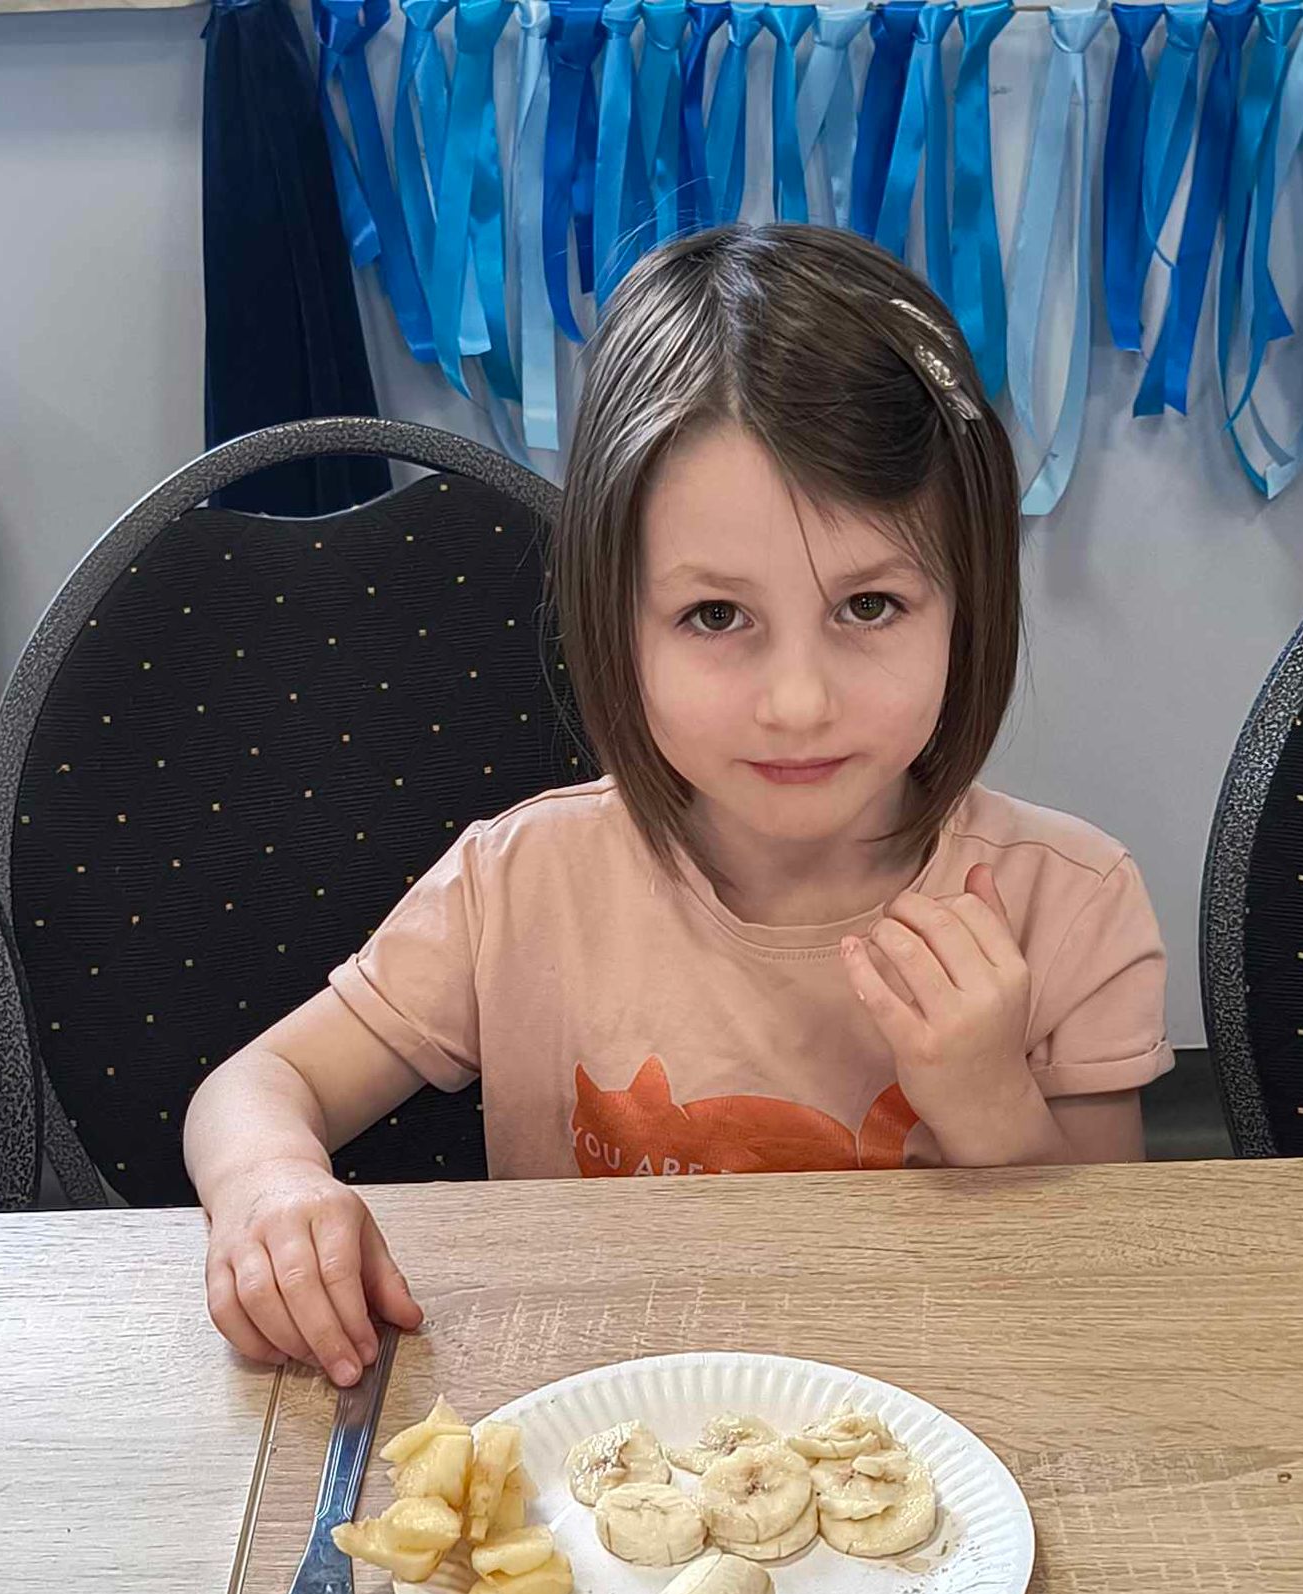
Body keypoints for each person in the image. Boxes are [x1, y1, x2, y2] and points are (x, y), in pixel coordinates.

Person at [185, 224, 1173, 1387]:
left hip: (945, 1434)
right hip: (606, 1443)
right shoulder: (522, 885)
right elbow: (254, 1086)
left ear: (970, 605)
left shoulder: (1071, 904)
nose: (798, 702)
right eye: (715, 616)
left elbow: (1106, 1287)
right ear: (618, 622)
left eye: (869, 606)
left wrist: (992, 1105)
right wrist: (269, 1185)